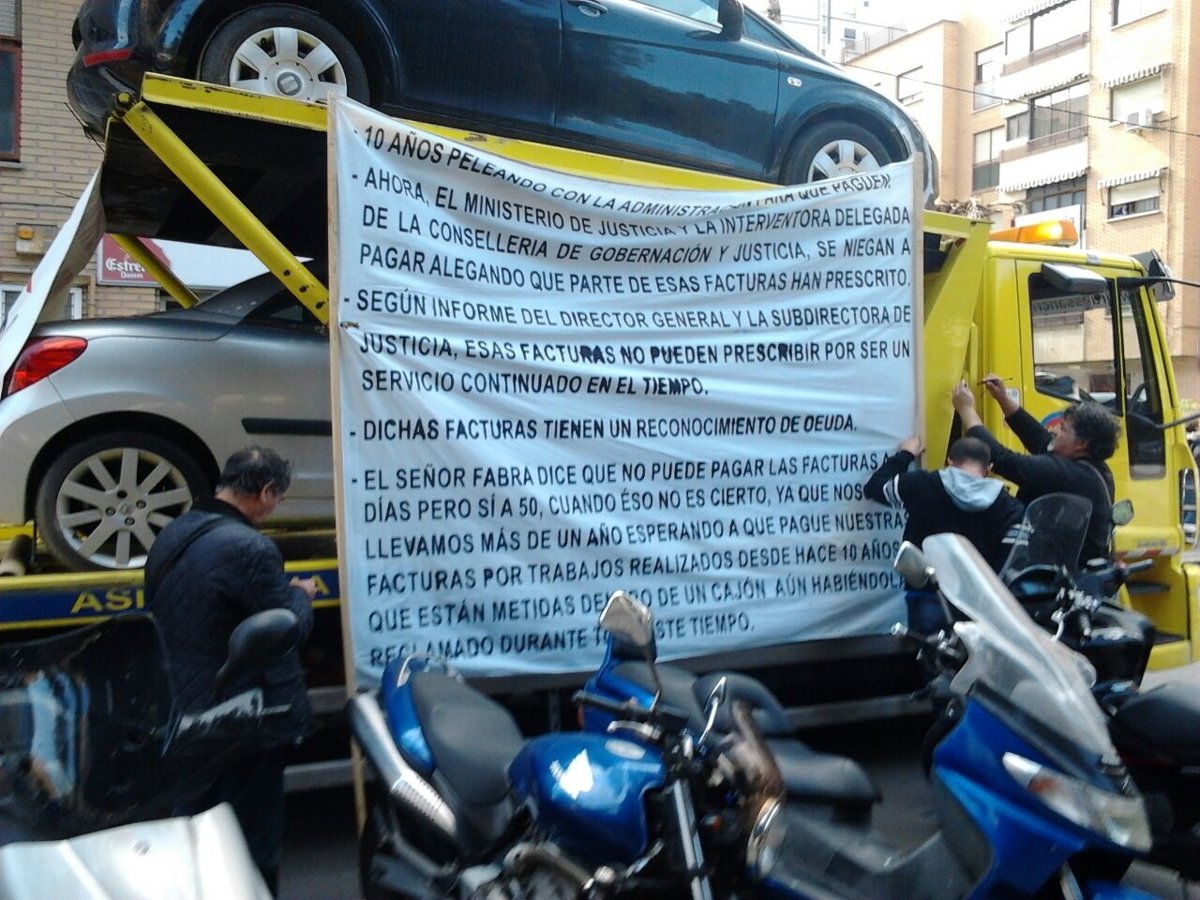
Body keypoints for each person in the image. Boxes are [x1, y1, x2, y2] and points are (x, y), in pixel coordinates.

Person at [145, 446, 317, 896]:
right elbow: (287, 629)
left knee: (195, 834)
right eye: (279, 498)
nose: (277, 506)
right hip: (242, 720)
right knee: (252, 843)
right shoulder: (251, 548)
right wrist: (301, 594)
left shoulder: (175, 531)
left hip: (185, 706)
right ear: (266, 491)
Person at [951, 375, 1121, 566]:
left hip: (1062, 575)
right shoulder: (1089, 466)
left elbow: (1003, 460)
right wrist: (1003, 398)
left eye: (1063, 429)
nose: (1054, 431)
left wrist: (966, 410)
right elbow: (1039, 438)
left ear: (1081, 443)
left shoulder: (1071, 475)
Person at [866, 433, 1024, 633]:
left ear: (949, 460)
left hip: (928, 593)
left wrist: (906, 454)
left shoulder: (923, 484)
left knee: (928, 648)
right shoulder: (1010, 507)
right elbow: (1010, 560)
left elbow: (875, 487)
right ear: (989, 469)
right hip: (979, 603)